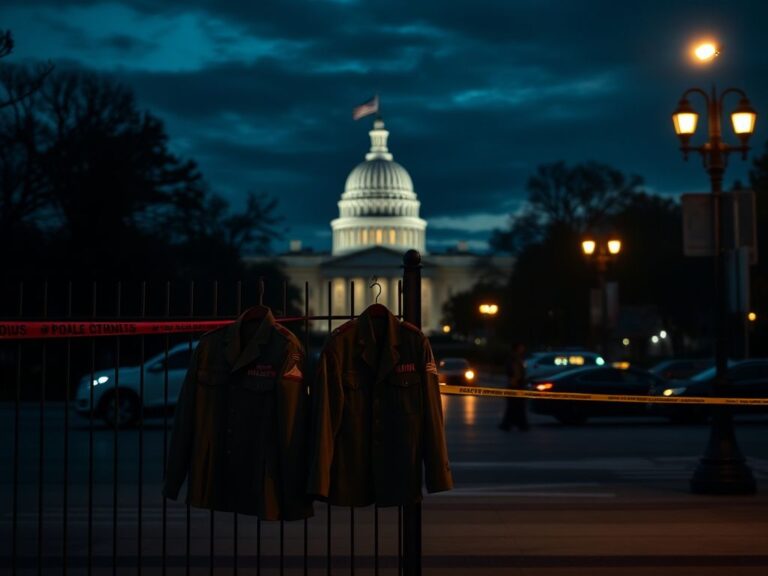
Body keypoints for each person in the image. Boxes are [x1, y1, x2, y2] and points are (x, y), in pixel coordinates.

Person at [498, 342, 529, 431]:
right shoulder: (515, 359)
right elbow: (516, 373)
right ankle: (519, 424)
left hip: (515, 386)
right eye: (521, 347)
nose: (523, 349)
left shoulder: (515, 358)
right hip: (516, 386)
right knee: (516, 406)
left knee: (514, 406)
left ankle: (512, 424)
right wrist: (515, 382)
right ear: (517, 348)